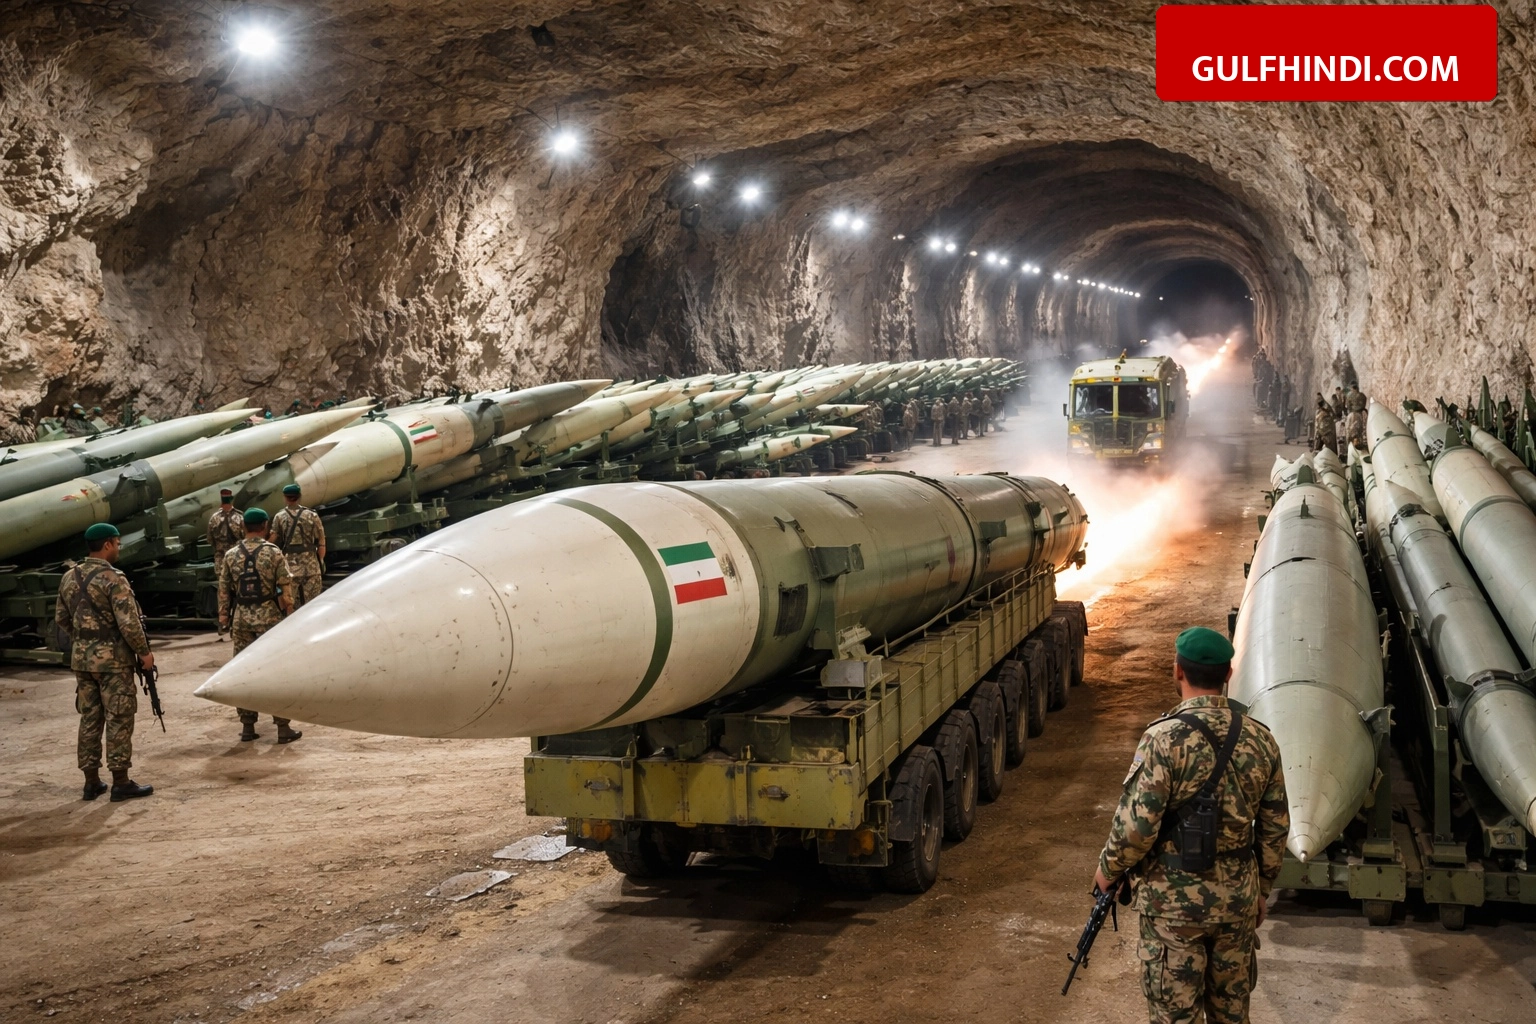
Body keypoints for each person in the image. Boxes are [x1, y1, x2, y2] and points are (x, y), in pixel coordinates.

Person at [1093, 627, 1288, 1024]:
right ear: (1228, 674)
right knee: (1232, 1016)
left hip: (1173, 909)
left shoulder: (1162, 739)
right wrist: (1261, 889)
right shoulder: (1261, 740)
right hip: (1236, 903)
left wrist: (1107, 870)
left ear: (1177, 670)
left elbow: (1137, 828)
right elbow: (1275, 828)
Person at [55, 523, 155, 802]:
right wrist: (144, 653)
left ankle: (91, 782)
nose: (119, 549)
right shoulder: (113, 578)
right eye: (117, 544)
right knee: (119, 717)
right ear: (108, 544)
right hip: (114, 663)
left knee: (90, 718)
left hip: (82, 661)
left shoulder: (69, 577)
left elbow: (61, 618)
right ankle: (121, 782)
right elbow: (129, 623)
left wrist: (84, 641)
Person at [218, 508, 301, 743]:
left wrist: (224, 616)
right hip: (269, 619)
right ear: (265, 526)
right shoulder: (273, 552)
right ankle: (283, 727)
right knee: (276, 671)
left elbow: (224, 589)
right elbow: (285, 586)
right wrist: (289, 610)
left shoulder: (231, 555)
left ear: (243, 527)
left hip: (242, 619)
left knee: (243, 671)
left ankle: (247, 726)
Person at [270, 483, 326, 608]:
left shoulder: (279, 517)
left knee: (291, 606)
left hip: (290, 568)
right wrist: (320, 562)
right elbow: (321, 543)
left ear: (285, 497)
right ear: (299, 496)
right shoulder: (312, 515)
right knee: (313, 605)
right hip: (311, 567)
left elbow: (273, 539)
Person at [1345, 383, 1367, 449]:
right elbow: (1364, 403)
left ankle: (1350, 446)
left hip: (1352, 414)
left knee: (1350, 431)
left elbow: (1348, 405)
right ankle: (1359, 445)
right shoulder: (1362, 395)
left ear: (1352, 388)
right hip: (1359, 414)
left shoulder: (1349, 395)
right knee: (1359, 431)